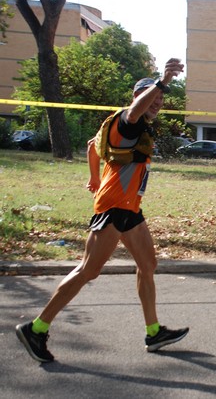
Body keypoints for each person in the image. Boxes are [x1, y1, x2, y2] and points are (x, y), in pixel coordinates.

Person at [16, 58, 189, 363]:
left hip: (129, 207)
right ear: (138, 96)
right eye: (152, 96)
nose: (157, 102)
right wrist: (161, 81)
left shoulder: (125, 125)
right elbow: (135, 110)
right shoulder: (128, 119)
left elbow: (89, 145)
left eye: (160, 99)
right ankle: (36, 328)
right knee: (88, 270)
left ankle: (153, 332)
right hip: (113, 207)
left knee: (148, 265)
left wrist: (94, 176)